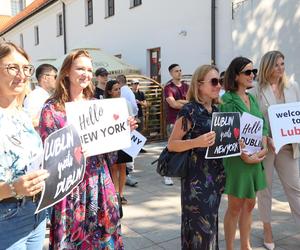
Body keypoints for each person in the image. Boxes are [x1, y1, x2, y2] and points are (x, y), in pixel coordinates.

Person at [39, 50, 136, 249]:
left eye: (89, 70)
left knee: (104, 239)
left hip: (100, 182)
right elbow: (49, 156)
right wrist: (72, 149)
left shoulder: (96, 105)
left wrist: (123, 131)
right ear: (66, 72)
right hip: (71, 189)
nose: (86, 74)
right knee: (76, 240)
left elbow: (110, 153)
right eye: (80, 68)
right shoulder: (52, 109)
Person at [168, 64, 225, 249]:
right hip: (196, 181)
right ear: (199, 85)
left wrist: (234, 143)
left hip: (215, 177)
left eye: (220, 81)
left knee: (210, 226)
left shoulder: (216, 111)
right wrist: (196, 142)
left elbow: (219, 144)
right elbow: (172, 144)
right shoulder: (190, 110)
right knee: (201, 228)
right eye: (214, 82)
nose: (219, 86)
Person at [0, 41, 49, 249]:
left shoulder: (21, 114)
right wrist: (13, 188)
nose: (21, 75)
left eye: (25, 68)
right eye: (12, 67)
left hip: (36, 211)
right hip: (7, 217)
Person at [250, 50, 300, 250]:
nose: (280, 68)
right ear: (267, 66)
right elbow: (254, 121)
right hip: (266, 148)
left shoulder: (293, 87)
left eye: (282, 64)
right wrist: (266, 138)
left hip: (288, 147)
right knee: (265, 190)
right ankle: (267, 230)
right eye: (276, 64)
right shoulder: (255, 90)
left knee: (296, 188)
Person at [220, 56, 268, 250]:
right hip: (237, 160)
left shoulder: (252, 98)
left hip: (255, 158)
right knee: (235, 207)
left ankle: (245, 245)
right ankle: (231, 247)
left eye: (253, 71)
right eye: (247, 72)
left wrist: (264, 146)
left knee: (250, 203)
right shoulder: (226, 100)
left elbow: (262, 126)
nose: (252, 75)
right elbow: (225, 132)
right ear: (236, 75)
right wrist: (243, 154)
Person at [104, 79, 133, 204]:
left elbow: (132, 119)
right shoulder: (104, 104)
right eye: (115, 89)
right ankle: (115, 193)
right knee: (113, 167)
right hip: (111, 139)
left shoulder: (126, 103)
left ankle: (121, 194)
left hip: (124, 138)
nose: (118, 91)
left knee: (122, 167)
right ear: (109, 92)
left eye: (119, 89)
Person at [164, 63, 189, 185]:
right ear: (171, 73)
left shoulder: (187, 86)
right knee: (171, 148)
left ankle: (180, 171)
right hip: (173, 121)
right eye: (176, 71)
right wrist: (185, 103)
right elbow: (172, 104)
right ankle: (166, 173)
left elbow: (193, 101)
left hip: (187, 121)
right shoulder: (168, 88)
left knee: (184, 147)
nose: (179, 72)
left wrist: (180, 101)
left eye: (180, 70)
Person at [117, 74, 138, 187]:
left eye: (118, 89)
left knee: (127, 154)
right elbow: (134, 108)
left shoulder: (126, 96)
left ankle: (127, 175)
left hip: (127, 126)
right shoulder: (129, 92)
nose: (117, 91)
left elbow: (132, 108)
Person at [23, 63, 57, 128]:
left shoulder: (45, 95)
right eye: (55, 77)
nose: (57, 80)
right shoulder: (34, 96)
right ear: (45, 78)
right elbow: (29, 123)